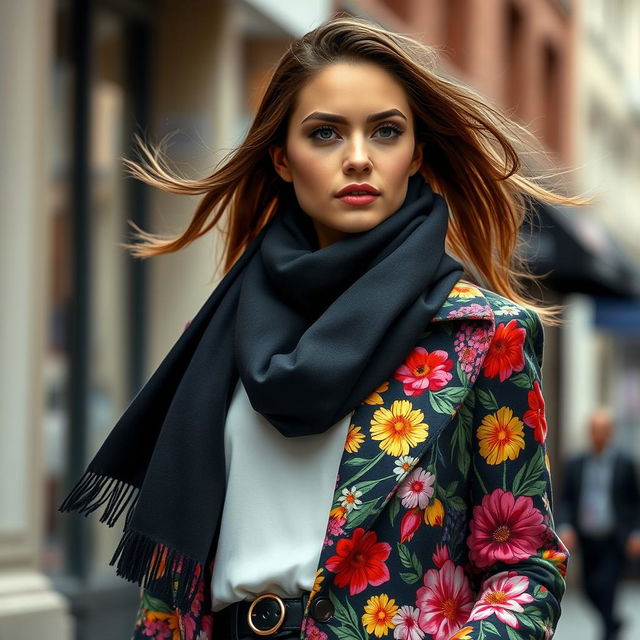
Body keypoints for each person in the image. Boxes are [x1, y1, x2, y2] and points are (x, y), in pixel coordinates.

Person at [58, 16, 577, 640]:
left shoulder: (483, 334)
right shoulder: (220, 330)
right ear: (282, 158)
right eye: (325, 133)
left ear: (415, 154)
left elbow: (523, 564)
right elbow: (172, 580)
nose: (358, 158)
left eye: (385, 131)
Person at [557, 408, 640, 640]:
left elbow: (634, 502)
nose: (599, 435)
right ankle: (613, 622)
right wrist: (565, 526)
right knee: (588, 589)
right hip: (587, 537)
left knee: (609, 588)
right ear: (589, 433)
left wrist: (636, 532)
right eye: (595, 430)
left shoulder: (625, 463)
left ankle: (607, 632)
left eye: (603, 430)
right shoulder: (576, 463)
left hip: (614, 537)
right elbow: (566, 500)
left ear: (611, 433)